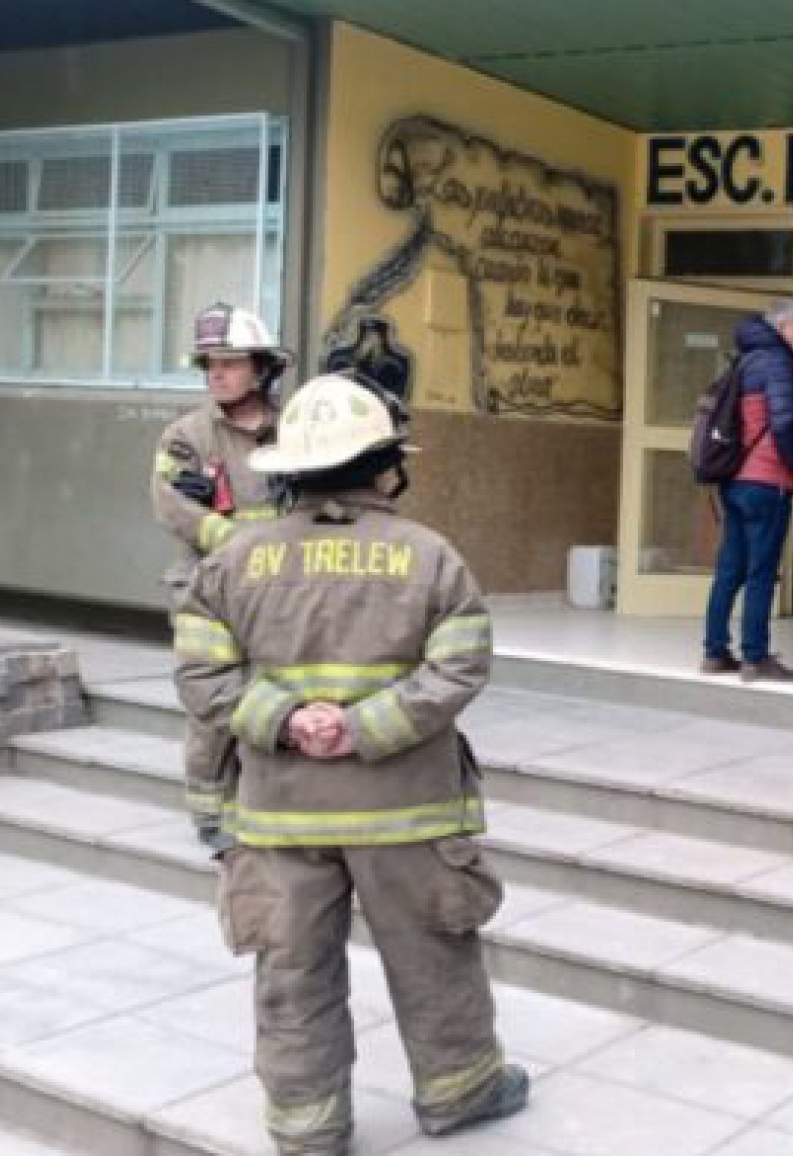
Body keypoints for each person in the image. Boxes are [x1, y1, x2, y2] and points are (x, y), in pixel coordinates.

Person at [173, 373, 527, 1154]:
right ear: (384, 465)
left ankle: (310, 1129)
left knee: (292, 974)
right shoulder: (431, 558)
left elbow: (202, 678)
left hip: (278, 813)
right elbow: (460, 669)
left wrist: (290, 723)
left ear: (287, 469)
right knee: (436, 957)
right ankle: (461, 1092)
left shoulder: (233, 562)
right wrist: (362, 728)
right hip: (409, 813)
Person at [151, 303, 288, 848]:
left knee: (273, 695)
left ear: (260, 368)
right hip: (206, 591)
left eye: (229, 362)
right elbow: (171, 505)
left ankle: (259, 803)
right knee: (212, 703)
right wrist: (239, 544)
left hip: (280, 591)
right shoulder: (186, 436)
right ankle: (210, 816)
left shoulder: (292, 432)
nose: (217, 373)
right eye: (209, 364)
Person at [701, 298, 793, 682]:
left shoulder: (746, 360)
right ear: (783, 327)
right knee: (761, 572)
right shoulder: (777, 362)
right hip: (768, 482)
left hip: (737, 481)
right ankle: (755, 658)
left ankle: (714, 653)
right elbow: (782, 423)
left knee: (730, 569)